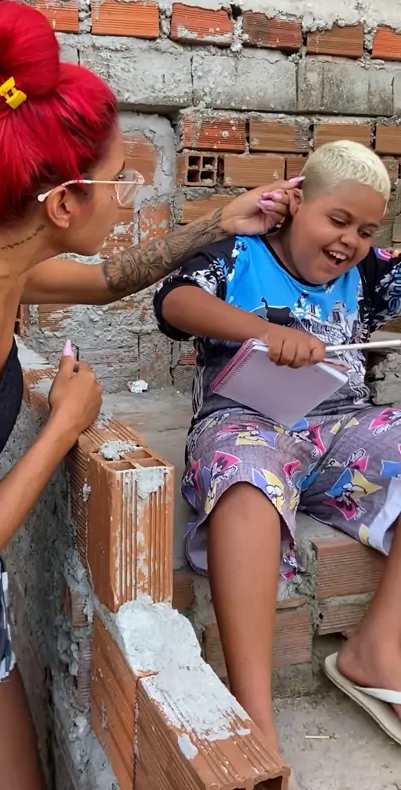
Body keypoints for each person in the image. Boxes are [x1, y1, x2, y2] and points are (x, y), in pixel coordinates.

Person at [0, 0, 298, 789]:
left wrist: (219, 222)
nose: (129, 193)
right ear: (64, 203)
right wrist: (64, 426)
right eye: (118, 181)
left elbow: (104, 281)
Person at [154, 140, 401, 768]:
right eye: (337, 220)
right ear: (296, 203)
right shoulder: (240, 254)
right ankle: (255, 718)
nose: (349, 241)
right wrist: (266, 332)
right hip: (246, 422)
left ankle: (376, 651)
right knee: (245, 482)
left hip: (343, 428)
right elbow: (175, 303)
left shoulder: (371, 273)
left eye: (365, 231)